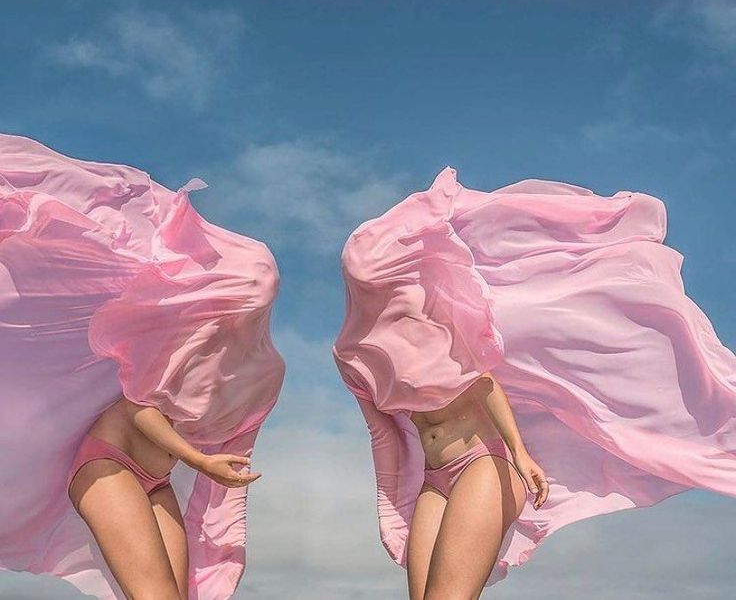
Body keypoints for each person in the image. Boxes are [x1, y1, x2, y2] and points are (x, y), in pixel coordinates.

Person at [333, 166, 736, 599]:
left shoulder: (434, 329)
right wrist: (393, 512)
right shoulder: (354, 359)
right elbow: (386, 439)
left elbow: (483, 384)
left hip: (483, 465)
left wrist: (521, 456)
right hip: (434, 480)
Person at [0, 133, 285, 600]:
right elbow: (141, 413)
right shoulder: (168, 360)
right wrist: (200, 461)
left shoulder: (254, 383)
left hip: (157, 479)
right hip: (106, 467)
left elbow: (234, 446)